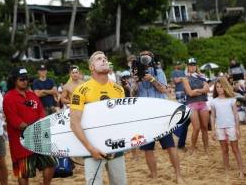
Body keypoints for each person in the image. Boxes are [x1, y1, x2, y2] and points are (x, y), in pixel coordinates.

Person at [70, 51, 127, 185]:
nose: (104, 60)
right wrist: (91, 149)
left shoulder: (118, 90)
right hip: (92, 146)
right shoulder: (81, 90)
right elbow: (74, 123)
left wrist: (117, 144)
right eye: (99, 59)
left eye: (105, 58)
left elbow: (122, 120)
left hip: (115, 145)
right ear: (91, 67)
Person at [130, 51, 183, 184]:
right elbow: (132, 97)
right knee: (148, 149)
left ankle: (178, 176)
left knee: (170, 146)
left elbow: (164, 90)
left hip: (160, 116)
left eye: (147, 57)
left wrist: (152, 80)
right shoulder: (135, 74)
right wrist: (136, 82)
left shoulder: (158, 72)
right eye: (143, 57)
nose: (145, 60)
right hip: (145, 117)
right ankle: (154, 178)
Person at [3, 66, 57, 185]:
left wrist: (40, 127)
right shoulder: (8, 98)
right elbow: (15, 121)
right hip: (21, 140)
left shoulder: (32, 94)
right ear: (13, 80)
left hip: (39, 137)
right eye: (21, 78)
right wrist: (34, 129)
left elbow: (41, 112)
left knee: (51, 162)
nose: (25, 81)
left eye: (26, 78)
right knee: (24, 172)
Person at [210, 77, 244, 178]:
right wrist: (213, 130)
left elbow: (236, 115)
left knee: (235, 149)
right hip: (220, 128)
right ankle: (226, 169)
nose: (219, 89)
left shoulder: (232, 100)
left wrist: (238, 129)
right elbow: (212, 116)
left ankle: (241, 170)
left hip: (231, 127)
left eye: (221, 87)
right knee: (224, 149)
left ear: (225, 87)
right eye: (217, 87)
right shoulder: (214, 102)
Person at [182, 58, 210, 155]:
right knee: (196, 127)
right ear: (188, 66)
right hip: (192, 104)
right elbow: (190, 93)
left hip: (202, 103)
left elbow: (207, 89)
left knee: (205, 127)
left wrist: (196, 91)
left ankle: (206, 148)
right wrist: (201, 90)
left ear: (196, 66)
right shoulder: (185, 78)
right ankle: (193, 148)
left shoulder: (201, 76)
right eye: (191, 65)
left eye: (194, 65)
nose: (193, 66)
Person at [119, 70, 138, 161]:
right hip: (125, 112)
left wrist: (129, 87)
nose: (126, 80)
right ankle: (135, 155)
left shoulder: (134, 86)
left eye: (128, 78)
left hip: (134, 110)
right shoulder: (119, 88)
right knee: (130, 133)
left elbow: (135, 97)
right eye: (124, 78)